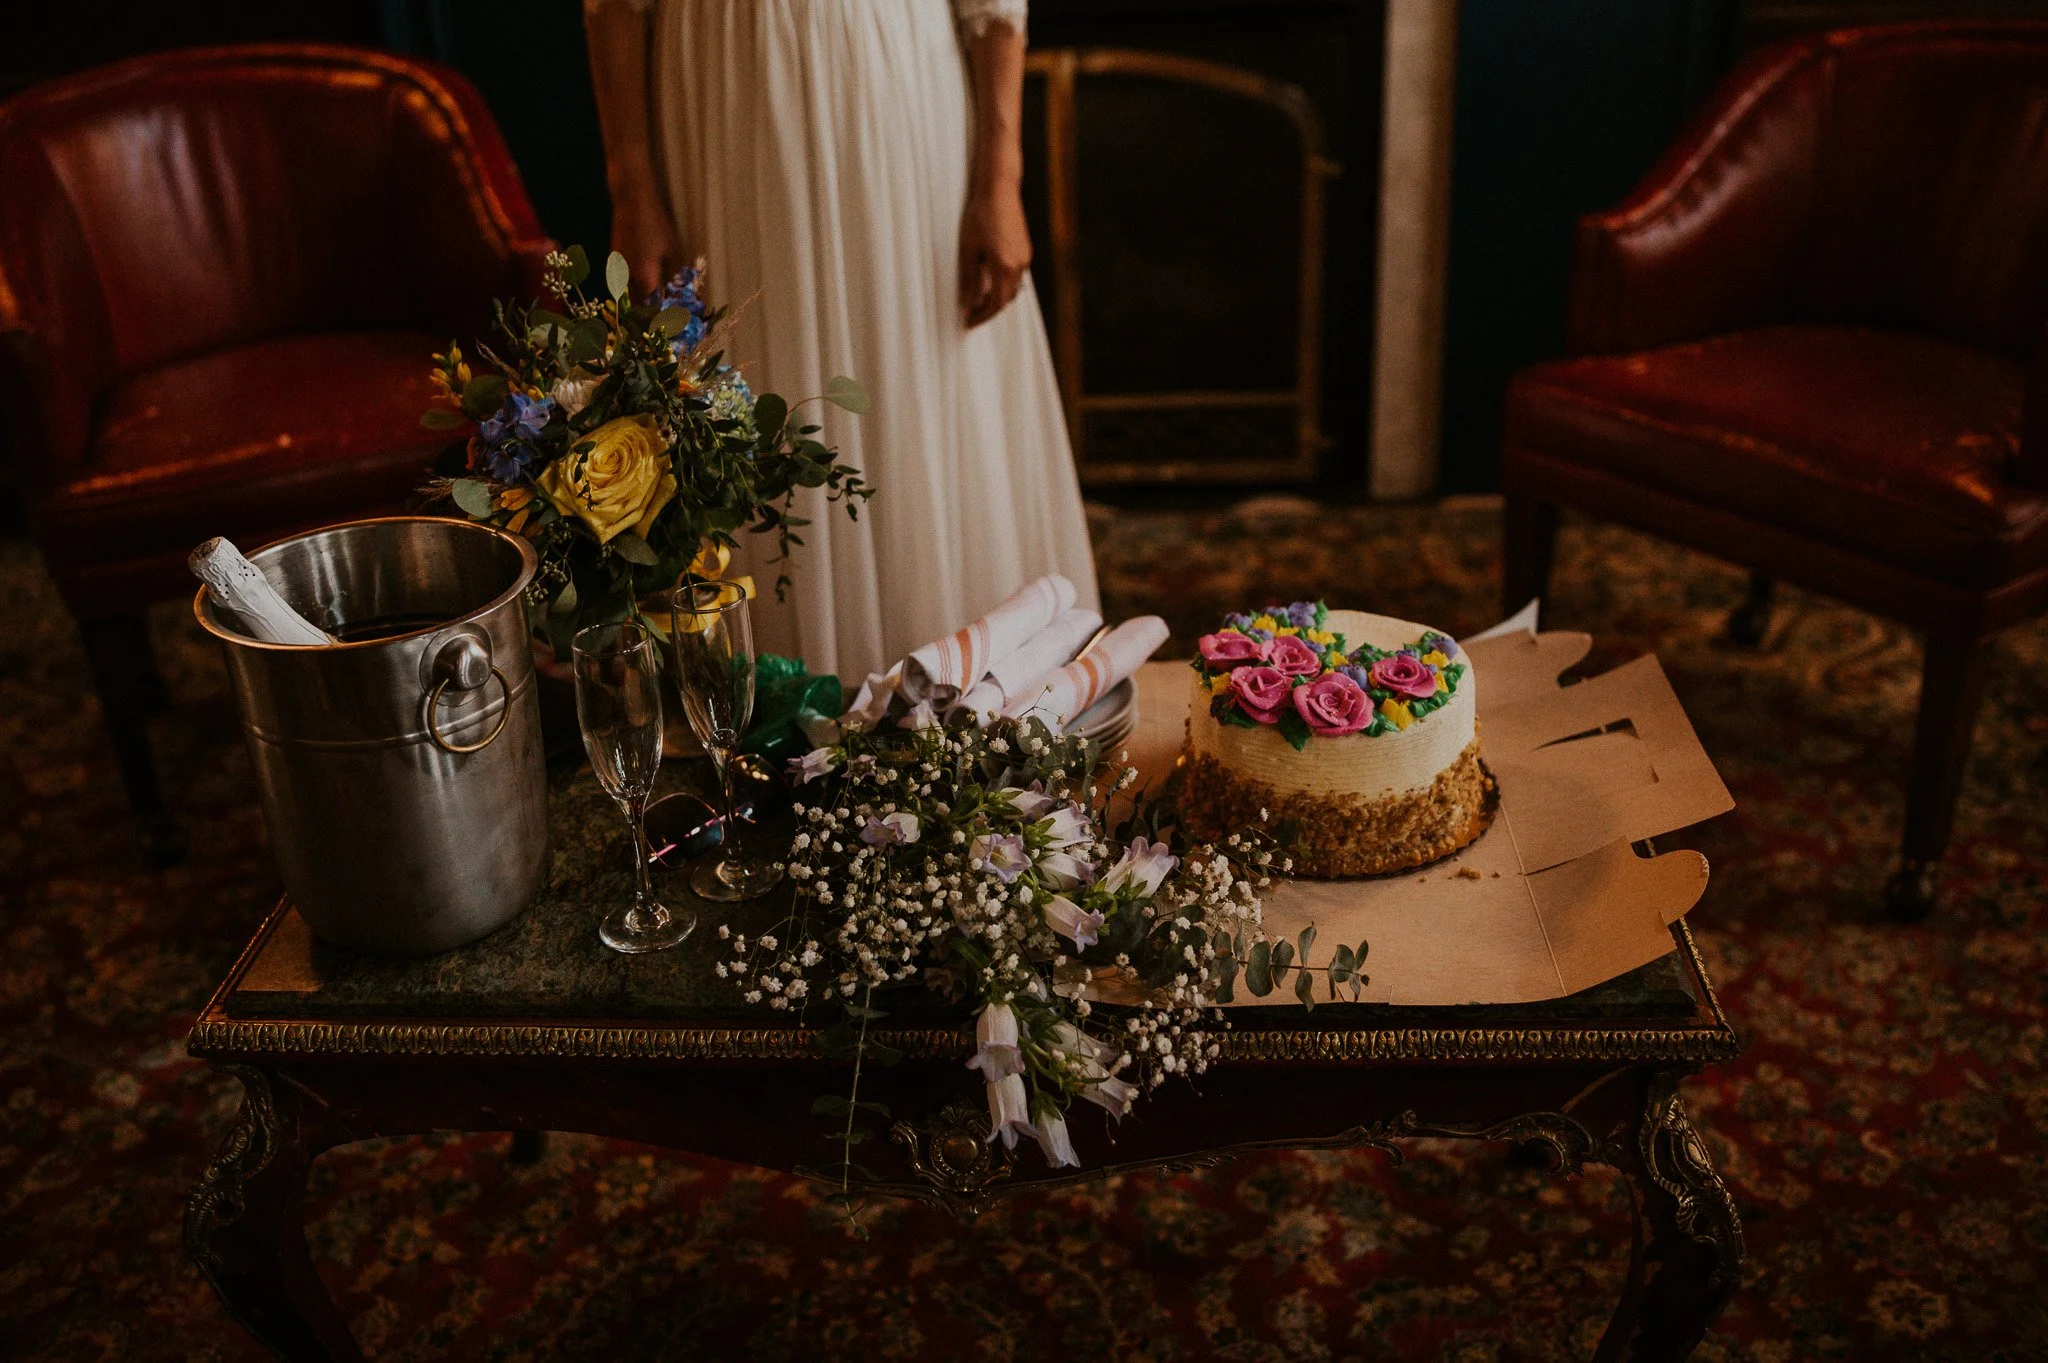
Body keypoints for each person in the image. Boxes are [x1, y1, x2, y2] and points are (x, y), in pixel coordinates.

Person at [584, 0, 1100, 684]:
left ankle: (962, 693)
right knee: (753, 388)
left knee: (917, 390)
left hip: (896, 102)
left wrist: (1000, 178)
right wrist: (632, 187)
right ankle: (769, 704)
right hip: (723, 102)